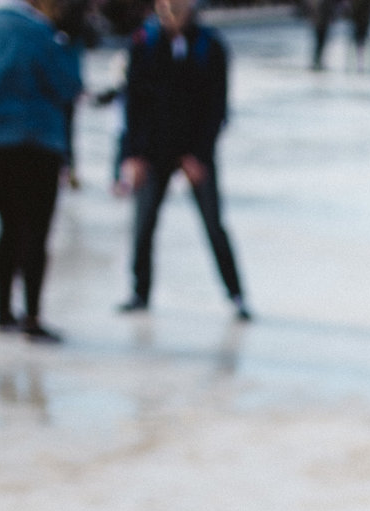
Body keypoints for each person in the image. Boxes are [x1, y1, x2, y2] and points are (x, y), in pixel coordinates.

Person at [0, 0, 82, 341]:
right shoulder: (39, 32)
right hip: (36, 141)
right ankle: (33, 315)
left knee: (9, 224)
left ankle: (1, 311)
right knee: (36, 230)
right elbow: (68, 85)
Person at [117, 0, 247, 319]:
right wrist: (132, 155)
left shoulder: (210, 45)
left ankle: (236, 294)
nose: (173, 9)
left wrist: (199, 155)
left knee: (214, 225)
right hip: (152, 151)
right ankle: (140, 292)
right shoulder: (143, 42)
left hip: (195, 152)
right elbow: (132, 102)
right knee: (143, 225)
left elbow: (217, 106)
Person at [309, 0, 370, 71]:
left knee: (320, 43)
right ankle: (317, 61)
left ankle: (317, 61)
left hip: (322, 24)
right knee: (320, 43)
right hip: (321, 24)